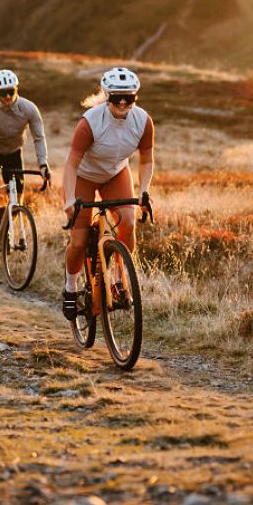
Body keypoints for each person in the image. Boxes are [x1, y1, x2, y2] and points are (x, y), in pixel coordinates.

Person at [60, 66, 154, 319]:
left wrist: (144, 193)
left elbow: (146, 160)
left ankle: (121, 278)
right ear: (106, 96)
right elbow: (71, 163)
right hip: (84, 177)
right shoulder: (90, 122)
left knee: (129, 223)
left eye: (129, 98)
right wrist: (70, 199)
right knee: (79, 241)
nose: (122, 103)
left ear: (135, 97)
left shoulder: (143, 121)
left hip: (115, 174)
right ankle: (70, 289)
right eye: (116, 97)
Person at [0, 69, 51, 251]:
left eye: (11, 91)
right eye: (2, 93)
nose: (8, 96)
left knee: (17, 200)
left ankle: (2, 224)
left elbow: (39, 138)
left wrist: (43, 163)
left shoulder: (29, 108)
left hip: (14, 153)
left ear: (17, 89)